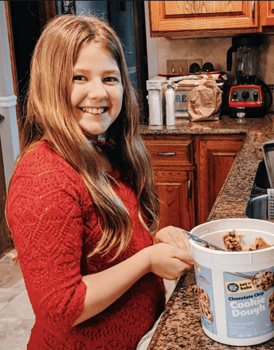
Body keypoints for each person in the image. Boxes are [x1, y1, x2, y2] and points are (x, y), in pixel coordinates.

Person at [6, 14, 193, 349]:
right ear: (51, 84)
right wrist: (147, 260)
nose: (98, 92)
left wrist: (154, 241)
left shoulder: (106, 153)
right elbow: (62, 308)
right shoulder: (43, 178)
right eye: (79, 77)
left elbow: (109, 251)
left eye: (110, 78)